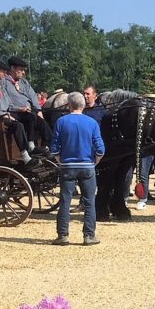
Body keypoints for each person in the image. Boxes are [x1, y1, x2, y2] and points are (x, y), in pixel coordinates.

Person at [50, 91, 105, 246]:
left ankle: (63, 235)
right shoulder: (92, 122)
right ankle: (88, 236)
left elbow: (54, 148)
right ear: (82, 105)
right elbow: (100, 149)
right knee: (89, 202)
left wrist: (60, 160)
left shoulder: (61, 121)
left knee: (65, 201)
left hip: (67, 166)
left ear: (69, 105)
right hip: (87, 166)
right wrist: (95, 161)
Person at [4, 56, 53, 149]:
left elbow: (33, 96)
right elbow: (5, 101)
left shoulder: (24, 82)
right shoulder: (4, 82)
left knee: (44, 125)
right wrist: (18, 109)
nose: (23, 72)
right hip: (15, 113)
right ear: (12, 68)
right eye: (21, 69)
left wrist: (39, 110)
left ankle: (46, 147)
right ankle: (31, 145)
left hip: (30, 112)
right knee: (32, 117)